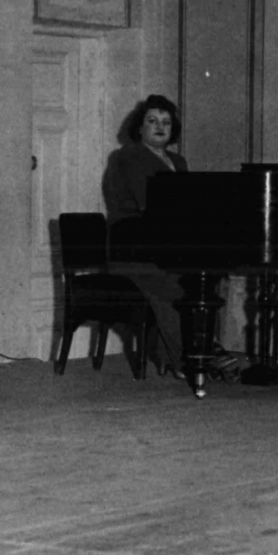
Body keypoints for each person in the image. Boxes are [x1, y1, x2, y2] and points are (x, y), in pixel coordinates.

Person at [103, 94, 189, 379]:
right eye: (152, 121)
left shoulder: (179, 161)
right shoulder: (127, 157)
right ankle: (185, 360)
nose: (160, 126)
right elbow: (149, 206)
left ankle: (181, 354)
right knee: (175, 284)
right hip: (132, 249)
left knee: (206, 277)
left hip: (165, 246)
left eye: (166, 122)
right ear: (139, 128)